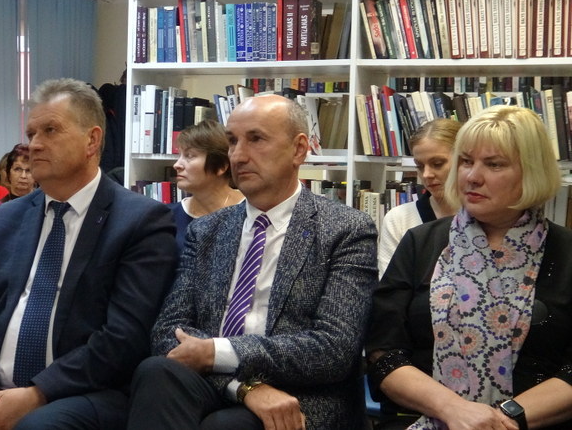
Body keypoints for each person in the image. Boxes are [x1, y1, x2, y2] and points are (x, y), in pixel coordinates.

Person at [0, 78, 178, 430]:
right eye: (31, 134)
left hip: (79, 396)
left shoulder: (140, 221)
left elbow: (124, 338)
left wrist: (37, 393)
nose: (35, 145)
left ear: (92, 140)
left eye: (50, 130)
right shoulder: (7, 218)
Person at [127, 94, 378, 429]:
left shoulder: (345, 229)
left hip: (299, 396)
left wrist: (217, 353)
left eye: (256, 139)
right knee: (156, 371)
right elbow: (169, 332)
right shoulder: (207, 230)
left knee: (225, 426)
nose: (238, 155)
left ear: (299, 149)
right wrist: (243, 388)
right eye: (232, 141)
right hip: (216, 384)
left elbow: (333, 349)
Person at [366, 105, 572, 430]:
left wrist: (503, 419)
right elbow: (383, 352)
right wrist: (454, 410)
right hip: (423, 420)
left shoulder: (566, 252)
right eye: (465, 161)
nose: (472, 176)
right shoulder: (420, 243)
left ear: (532, 171)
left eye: (494, 164)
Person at [377, 118, 461, 276]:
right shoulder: (399, 219)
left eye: (437, 164)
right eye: (420, 166)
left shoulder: (486, 217)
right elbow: (390, 287)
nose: (426, 174)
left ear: (465, 160)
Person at [170, 119, 244, 251]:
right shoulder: (168, 216)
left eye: (189, 156)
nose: (177, 165)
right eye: (179, 155)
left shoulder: (251, 211)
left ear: (221, 166)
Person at [0, 144, 35, 223]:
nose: (23, 176)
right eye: (18, 169)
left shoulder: (44, 206)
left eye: (29, 170)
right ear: (8, 173)